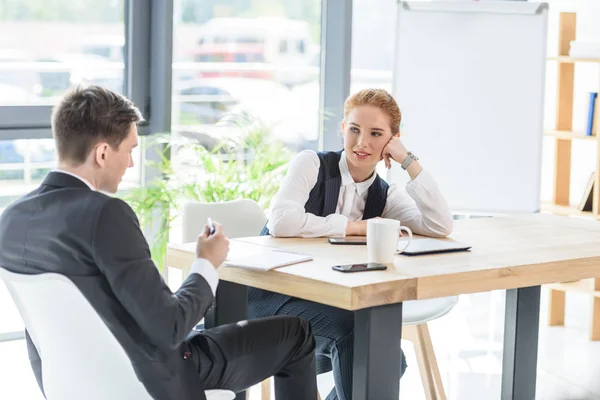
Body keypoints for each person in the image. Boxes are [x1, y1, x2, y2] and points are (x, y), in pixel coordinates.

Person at [0, 86, 317, 400]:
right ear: (102, 153)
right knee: (297, 334)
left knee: (213, 334)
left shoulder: (10, 219)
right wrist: (206, 263)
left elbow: (43, 337)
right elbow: (170, 328)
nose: (131, 164)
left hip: (78, 386)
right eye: (130, 150)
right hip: (156, 379)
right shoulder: (105, 214)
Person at [249, 88, 453, 400]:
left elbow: (439, 225)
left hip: (325, 303)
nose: (362, 143)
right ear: (343, 128)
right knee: (360, 338)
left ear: (392, 140)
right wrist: (356, 227)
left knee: (387, 359)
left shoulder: (385, 196)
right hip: (271, 297)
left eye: (376, 134)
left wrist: (407, 159)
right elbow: (281, 221)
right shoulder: (311, 165)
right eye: (355, 130)